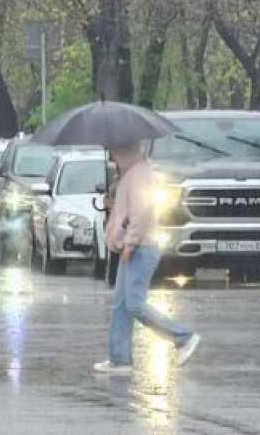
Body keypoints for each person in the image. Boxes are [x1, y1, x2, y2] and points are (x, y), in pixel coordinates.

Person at [94, 140, 200, 375]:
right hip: (134, 247)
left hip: (141, 248)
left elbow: (141, 214)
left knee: (133, 304)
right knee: (121, 305)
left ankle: (183, 337)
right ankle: (119, 359)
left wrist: (130, 243)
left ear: (126, 151)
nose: (112, 156)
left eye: (114, 150)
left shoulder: (139, 175)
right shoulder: (131, 175)